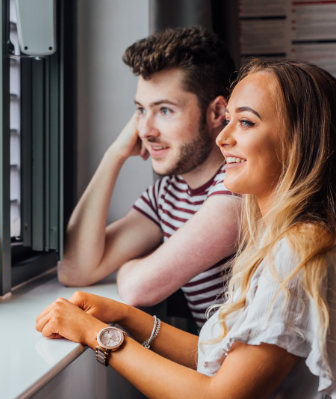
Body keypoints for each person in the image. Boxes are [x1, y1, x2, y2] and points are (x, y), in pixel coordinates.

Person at [36, 59, 336, 398]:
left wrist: (97, 335)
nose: (223, 138)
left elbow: (218, 395)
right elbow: (224, 358)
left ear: (301, 142)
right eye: (229, 122)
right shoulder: (312, 238)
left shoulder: (299, 249)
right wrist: (125, 316)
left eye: (246, 122)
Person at [59, 27, 241, 326]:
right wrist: (114, 156)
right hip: (213, 366)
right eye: (141, 110)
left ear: (217, 112)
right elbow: (74, 270)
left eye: (165, 110)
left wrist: (130, 267)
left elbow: (137, 288)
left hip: (251, 372)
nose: (145, 130)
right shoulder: (168, 194)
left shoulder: (238, 185)